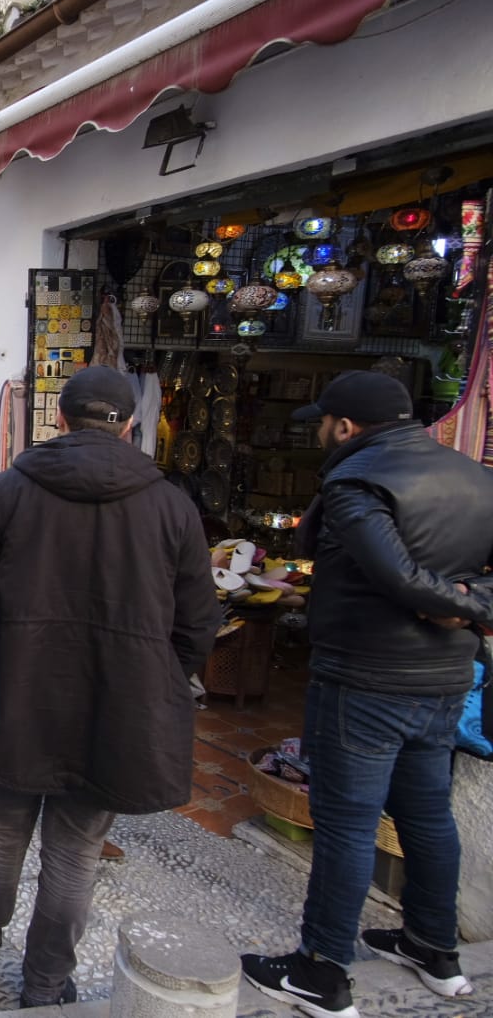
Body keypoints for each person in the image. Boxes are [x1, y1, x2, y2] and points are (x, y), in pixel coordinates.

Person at [0, 365, 217, 1009]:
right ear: (132, 424)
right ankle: (47, 984)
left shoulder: (10, 489)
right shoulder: (171, 504)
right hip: (117, 705)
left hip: (19, 692)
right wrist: (160, 683)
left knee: (2, 833)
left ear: (60, 418)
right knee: (76, 851)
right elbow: (199, 622)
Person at [241, 371, 493, 1017]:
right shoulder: (473, 475)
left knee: (348, 827)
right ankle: (433, 950)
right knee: (427, 815)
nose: (322, 433)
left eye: (325, 423)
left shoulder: (357, 482)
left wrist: (456, 605)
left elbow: (398, 577)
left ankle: (320, 974)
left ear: (346, 427)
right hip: (440, 682)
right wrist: (473, 605)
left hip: (365, 682)